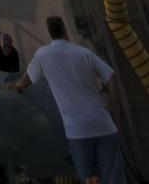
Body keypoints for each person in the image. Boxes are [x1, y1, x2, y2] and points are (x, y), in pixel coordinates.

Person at [9, 16, 124, 184]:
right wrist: (113, 109)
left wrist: (18, 87)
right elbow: (111, 76)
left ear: (50, 33)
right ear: (64, 30)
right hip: (103, 123)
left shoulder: (42, 55)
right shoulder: (84, 52)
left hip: (77, 130)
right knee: (113, 176)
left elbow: (28, 79)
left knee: (89, 178)